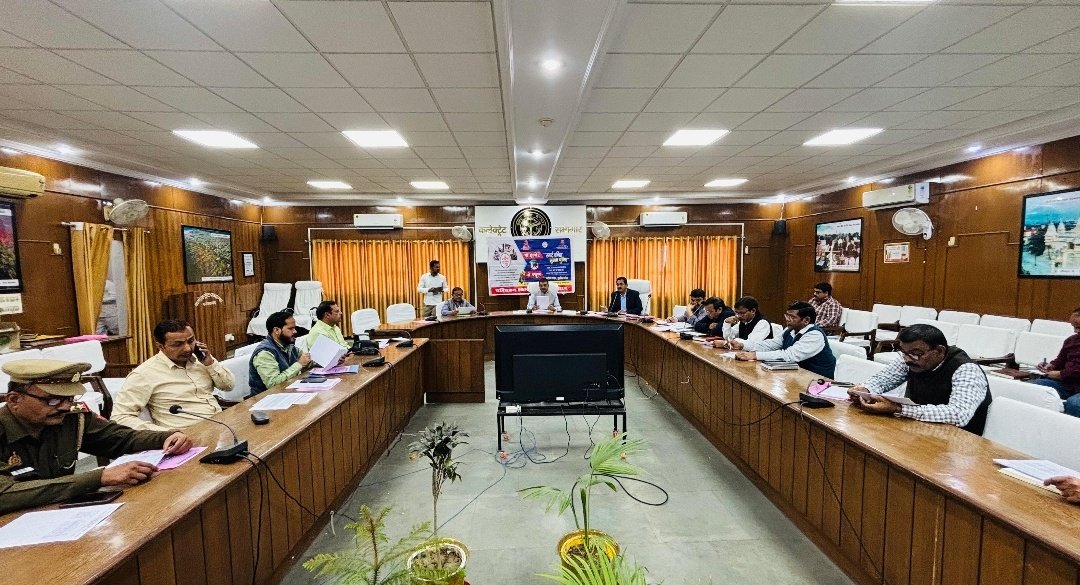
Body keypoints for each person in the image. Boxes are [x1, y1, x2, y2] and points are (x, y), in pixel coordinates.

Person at [0, 359, 193, 514]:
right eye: (53, 400)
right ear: (14, 400)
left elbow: (122, 439)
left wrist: (166, 437)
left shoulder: (71, 418)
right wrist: (98, 477)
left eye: (69, 399)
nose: (65, 406)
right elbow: (4, 495)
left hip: (55, 514)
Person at [845, 324, 992, 435]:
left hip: (959, 444)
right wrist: (865, 390)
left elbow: (958, 414)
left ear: (939, 351)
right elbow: (883, 379)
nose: (907, 359)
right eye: (903, 352)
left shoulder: (966, 369)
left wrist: (899, 408)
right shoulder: (910, 357)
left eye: (915, 353)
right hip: (919, 429)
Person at [112, 319, 234, 431]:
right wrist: (164, 433)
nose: (187, 349)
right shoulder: (144, 374)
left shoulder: (201, 360)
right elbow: (120, 417)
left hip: (222, 424)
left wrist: (210, 364)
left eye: (191, 341)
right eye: (178, 344)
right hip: (188, 435)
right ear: (160, 346)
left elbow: (228, 386)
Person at [731, 301, 836, 378]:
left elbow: (789, 355)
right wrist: (743, 345)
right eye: (787, 316)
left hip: (817, 380)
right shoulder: (790, 330)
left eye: (792, 317)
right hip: (795, 375)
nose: (787, 320)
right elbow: (771, 345)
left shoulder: (814, 335)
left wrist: (755, 355)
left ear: (806, 320)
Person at [1029, 307, 1080, 417]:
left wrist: (1058, 374)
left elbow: (1076, 372)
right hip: (1068, 384)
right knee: (1034, 387)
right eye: (1074, 327)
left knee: (1075, 404)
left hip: (1072, 381)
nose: (1075, 331)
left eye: (1078, 327)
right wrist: (1050, 366)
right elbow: (1060, 361)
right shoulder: (1071, 340)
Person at [248, 310, 312, 397]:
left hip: (288, 392)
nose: (295, 331)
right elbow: (273, 384)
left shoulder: (288, 345)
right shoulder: (265, 353)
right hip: (266, 398)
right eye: (290, 328)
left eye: (294, 328)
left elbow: (306, 360)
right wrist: (299, 364)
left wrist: (321, 359)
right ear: (276, 330)